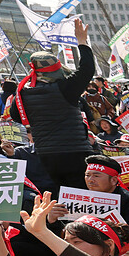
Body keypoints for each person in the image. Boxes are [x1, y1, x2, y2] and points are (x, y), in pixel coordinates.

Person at [8, 19, 95, 190]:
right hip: (75, 149)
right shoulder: (65, 87)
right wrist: (82, 42)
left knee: (62, 191)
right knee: (82, 193)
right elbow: (87, 69)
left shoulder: (23, 92)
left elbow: (16, 116)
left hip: (46, 153)